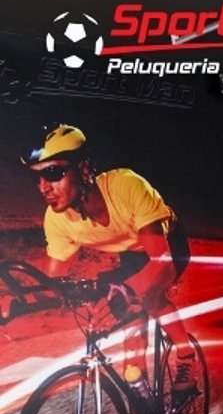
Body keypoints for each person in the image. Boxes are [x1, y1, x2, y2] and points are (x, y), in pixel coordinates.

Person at [22, 123, 194, 395]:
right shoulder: (56, 219)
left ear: (83, 167)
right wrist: (20, 299)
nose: (44, 187)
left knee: (148, 299)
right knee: (128, 321)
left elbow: (162, 263)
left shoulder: (126, 185)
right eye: (37, 177)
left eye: (53, 173)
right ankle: (140, 395)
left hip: (167, 245)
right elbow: (51, 279)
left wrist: (127, 292)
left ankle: (186, 356)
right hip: (131, 253)